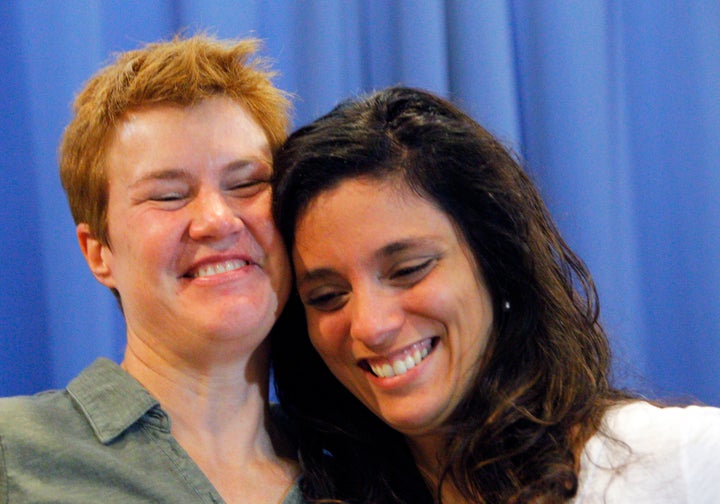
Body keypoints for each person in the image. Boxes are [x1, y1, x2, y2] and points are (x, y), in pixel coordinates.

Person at [270, 86, 720, 503]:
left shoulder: (683, 463)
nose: (371, 325)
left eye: (408, 270)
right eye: (328, 296)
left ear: (496, 259)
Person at [0, 35, 304, 503]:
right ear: (98, 252)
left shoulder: (363, 469)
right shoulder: (13, 452)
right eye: (168, 195)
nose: (217, 220)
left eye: (247, 184)